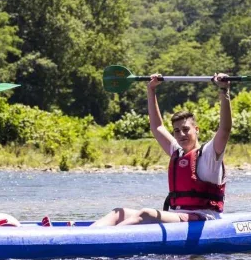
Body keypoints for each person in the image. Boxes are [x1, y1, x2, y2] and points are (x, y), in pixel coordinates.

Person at [93, 73, 232, 226]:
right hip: (177, 216)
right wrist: (151, 89)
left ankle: (103, 240)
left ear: (196, 129)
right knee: (119, 213)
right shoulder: (177, 152)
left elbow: (224, 129)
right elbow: (157, 126)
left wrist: (224, 91)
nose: (181, 134)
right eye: (177, 131)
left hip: (203, 217)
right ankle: (85, 236)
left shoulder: (210, 154)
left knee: (146, 213)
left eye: (186, 129)